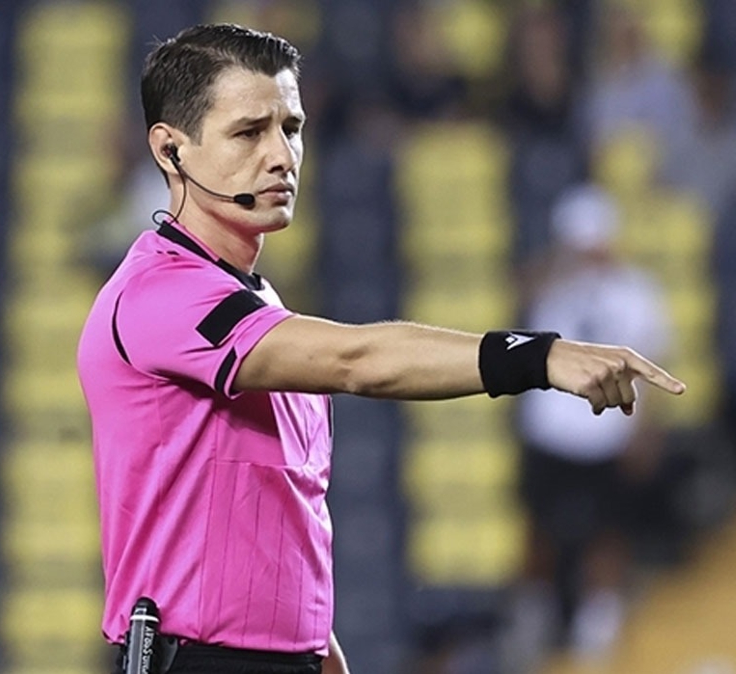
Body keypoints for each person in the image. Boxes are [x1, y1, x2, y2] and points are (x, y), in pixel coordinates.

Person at [75, 23, 686, 674]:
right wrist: (537, 357)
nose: (282, 155)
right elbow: (357, 360)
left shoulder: (254, 304)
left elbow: (278, 518)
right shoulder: (160, 293)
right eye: (249, 132)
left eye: (292, 128)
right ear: (171, 150)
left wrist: (320, 652)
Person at [500, 185, 674, 670]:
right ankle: (535, 615)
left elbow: (653, 363)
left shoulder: (637, 292)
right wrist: (563, 268)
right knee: (539, 529)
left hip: (607, 432)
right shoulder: (551, 284)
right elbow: (516, 297)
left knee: (608, 532)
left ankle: (598, 623)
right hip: (551, 431)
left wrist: (646, 430)